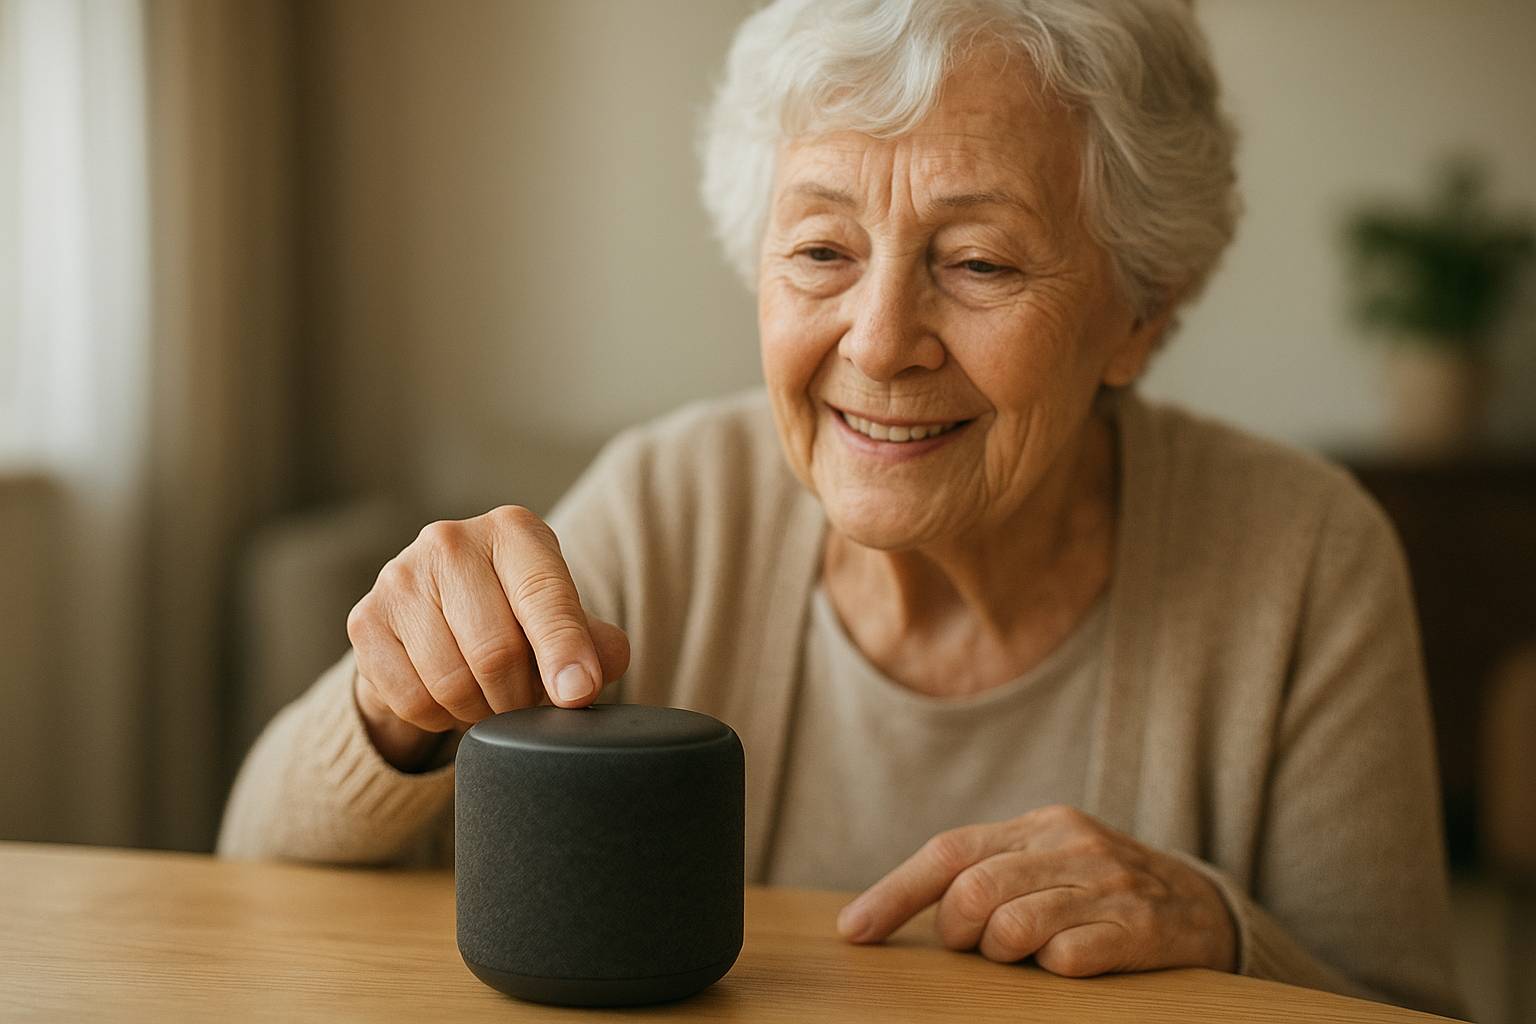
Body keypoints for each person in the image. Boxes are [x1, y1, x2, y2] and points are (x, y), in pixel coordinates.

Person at [217, 0, 1464, 1016]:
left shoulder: (1306, 554)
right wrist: (391, 711)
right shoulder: (675, 497)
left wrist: (1219, 931)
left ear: (1140, 312)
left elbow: (1404, 1003)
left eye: (977, 262)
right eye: (820, 251)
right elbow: (252, 874)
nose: (879, 341)